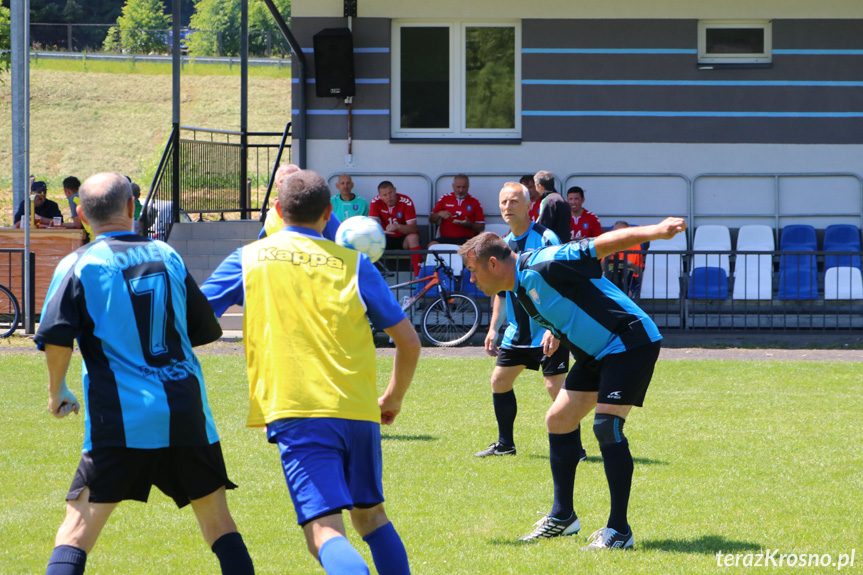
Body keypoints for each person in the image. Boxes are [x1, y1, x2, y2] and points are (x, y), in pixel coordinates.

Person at [201, 169, 421, 575]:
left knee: (322, 531)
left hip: (299, 410)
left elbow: (193, 319)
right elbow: (409, 342)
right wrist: (392, 398)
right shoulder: (355, 264)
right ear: (328, 214)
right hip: (357, 410)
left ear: (279, 212)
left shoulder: (248, 259)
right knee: (371, 518)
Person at [33, 172, 254, 575]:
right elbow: (203, 329)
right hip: (186, 412)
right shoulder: (167, 256)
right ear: (132, 209)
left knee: (76, 530)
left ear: (80, 214)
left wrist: (56, 390)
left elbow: (55, 337)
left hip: (120, 420)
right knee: (220, 525)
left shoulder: (80, 264)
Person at [458, 216, 686, 549]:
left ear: (493, 263)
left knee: (607, 427)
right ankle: (563, 516)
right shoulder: (519, 287)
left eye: (474, 271)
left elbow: (602, 245)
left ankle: (619, 531)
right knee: (558, 420)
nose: (473, 279)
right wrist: (557, 331)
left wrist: (657, 231)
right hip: (596, 352)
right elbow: (569, 303)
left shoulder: (545, 262)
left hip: (630, 341)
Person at [475, 182, 574, 460]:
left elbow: (562, 285)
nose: (508, 207)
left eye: (514, 201)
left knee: (555, 388)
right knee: (499, 380)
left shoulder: (546, 239)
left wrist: (556, 329)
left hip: (549, 331)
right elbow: (501, 292)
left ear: (529, 205)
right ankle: (505, 443)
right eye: (504, 202)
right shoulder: (502, 246)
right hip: (517, 333)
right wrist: (494, 327)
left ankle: (575, 449)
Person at [261, 163, 340, 241]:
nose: (289, 185)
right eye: (283, 181)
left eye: (294, 180)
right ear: (276, 185)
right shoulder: (271, 215)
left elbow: (339, 240)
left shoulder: (318, 210)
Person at [369, 180, 423, 275]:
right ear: (380, 196)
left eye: (390, 193)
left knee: (413, 237)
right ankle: (368, 277)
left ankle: (418, 277)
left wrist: (397, 226)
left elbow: (413, 228)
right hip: (385, 238)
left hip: (403, 238)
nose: (388, 197)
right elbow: (371, 225)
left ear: (395, 190)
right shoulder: (375, 201)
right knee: (367, 238)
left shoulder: (406, 201)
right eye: (384, 195)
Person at [428, 174, 485, 246]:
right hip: (446, 239)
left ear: (468, 187)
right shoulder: (445, 198)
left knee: (474, 248)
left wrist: (469, 225)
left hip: (467, 240)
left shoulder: (475, 202)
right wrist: (439, 213)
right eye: (458, 187)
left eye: (464, 187)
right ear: (453, 186)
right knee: (432, 245)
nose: (461, 190)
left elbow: (481, 227)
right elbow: (431, 220)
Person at [602, 221, 645, 299]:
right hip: (610, 278)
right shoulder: (607, 245)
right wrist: (608, 255)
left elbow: (639, 270)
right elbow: (601, 269)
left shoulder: (635, 245)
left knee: (625, 293)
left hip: (629, 279)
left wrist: (630, 264)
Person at [532, 171, 570, 244]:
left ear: (540, 186)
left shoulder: (548, 200)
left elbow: (542, 226)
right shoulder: (562, 199)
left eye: (535, 186)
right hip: (564, 244)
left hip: (552, 246)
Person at [61, 176, 94, 241]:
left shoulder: (73, 198)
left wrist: (61, 224)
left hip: (93, 236)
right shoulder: (87, 195)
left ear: (67, 191)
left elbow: (78, 224)